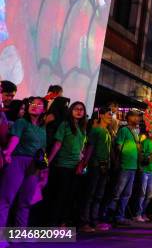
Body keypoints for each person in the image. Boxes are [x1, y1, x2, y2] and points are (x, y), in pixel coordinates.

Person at [0, 97, 47, 228]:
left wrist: (45, 169)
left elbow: (43, 149)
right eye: (32, 103)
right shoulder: (21, 122)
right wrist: (8, 152)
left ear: (44, 110)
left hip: (34, 165)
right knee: (6, 198)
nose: (34, 105)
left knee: (26, 201)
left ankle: (20, 232)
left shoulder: (42, 128)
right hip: (18, 161)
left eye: (39, 104)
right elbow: (15, 138)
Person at [47, 101, 88, 226]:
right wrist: (48, 161)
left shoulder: (82, 128)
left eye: (81, 109)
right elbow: (58, 144)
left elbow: (82, 148)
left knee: (70, 196)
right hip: (63, 165)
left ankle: (63, 223)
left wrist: (81, 163)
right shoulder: (65, 124)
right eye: (76, 109)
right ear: (71, 110)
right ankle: (54, 223)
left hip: (76, 167)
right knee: (61, 196)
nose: (79, 111)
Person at [79, 108, 113, 232]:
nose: (111, 116)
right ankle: (85, 222)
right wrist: (83, 164)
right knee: (90, 194)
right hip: (95, 166)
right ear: (101, 115)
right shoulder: (96, 130)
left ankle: (95, 221)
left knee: (99, 195)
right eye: (109, 114)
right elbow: (90, 148)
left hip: (105, 167)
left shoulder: (107, 131)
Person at [107, 109, 142, 225]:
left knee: (127, 194)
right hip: (124, 165)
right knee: (117, 192)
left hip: (133, 166)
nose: (138, 119)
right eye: (135, 116)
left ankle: (119, 217)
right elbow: (118, 146)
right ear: (129, 118)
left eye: (138, 117)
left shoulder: (135, 132)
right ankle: (107, 216)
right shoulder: (124, 130)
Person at [134, 127, 152, 222]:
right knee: (142, 193)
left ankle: (143, 213)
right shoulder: (146, 142)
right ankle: (138, 214)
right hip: (144, 170)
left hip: (150, 171)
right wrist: (148, 157)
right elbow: (141, 154)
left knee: (150, 193)